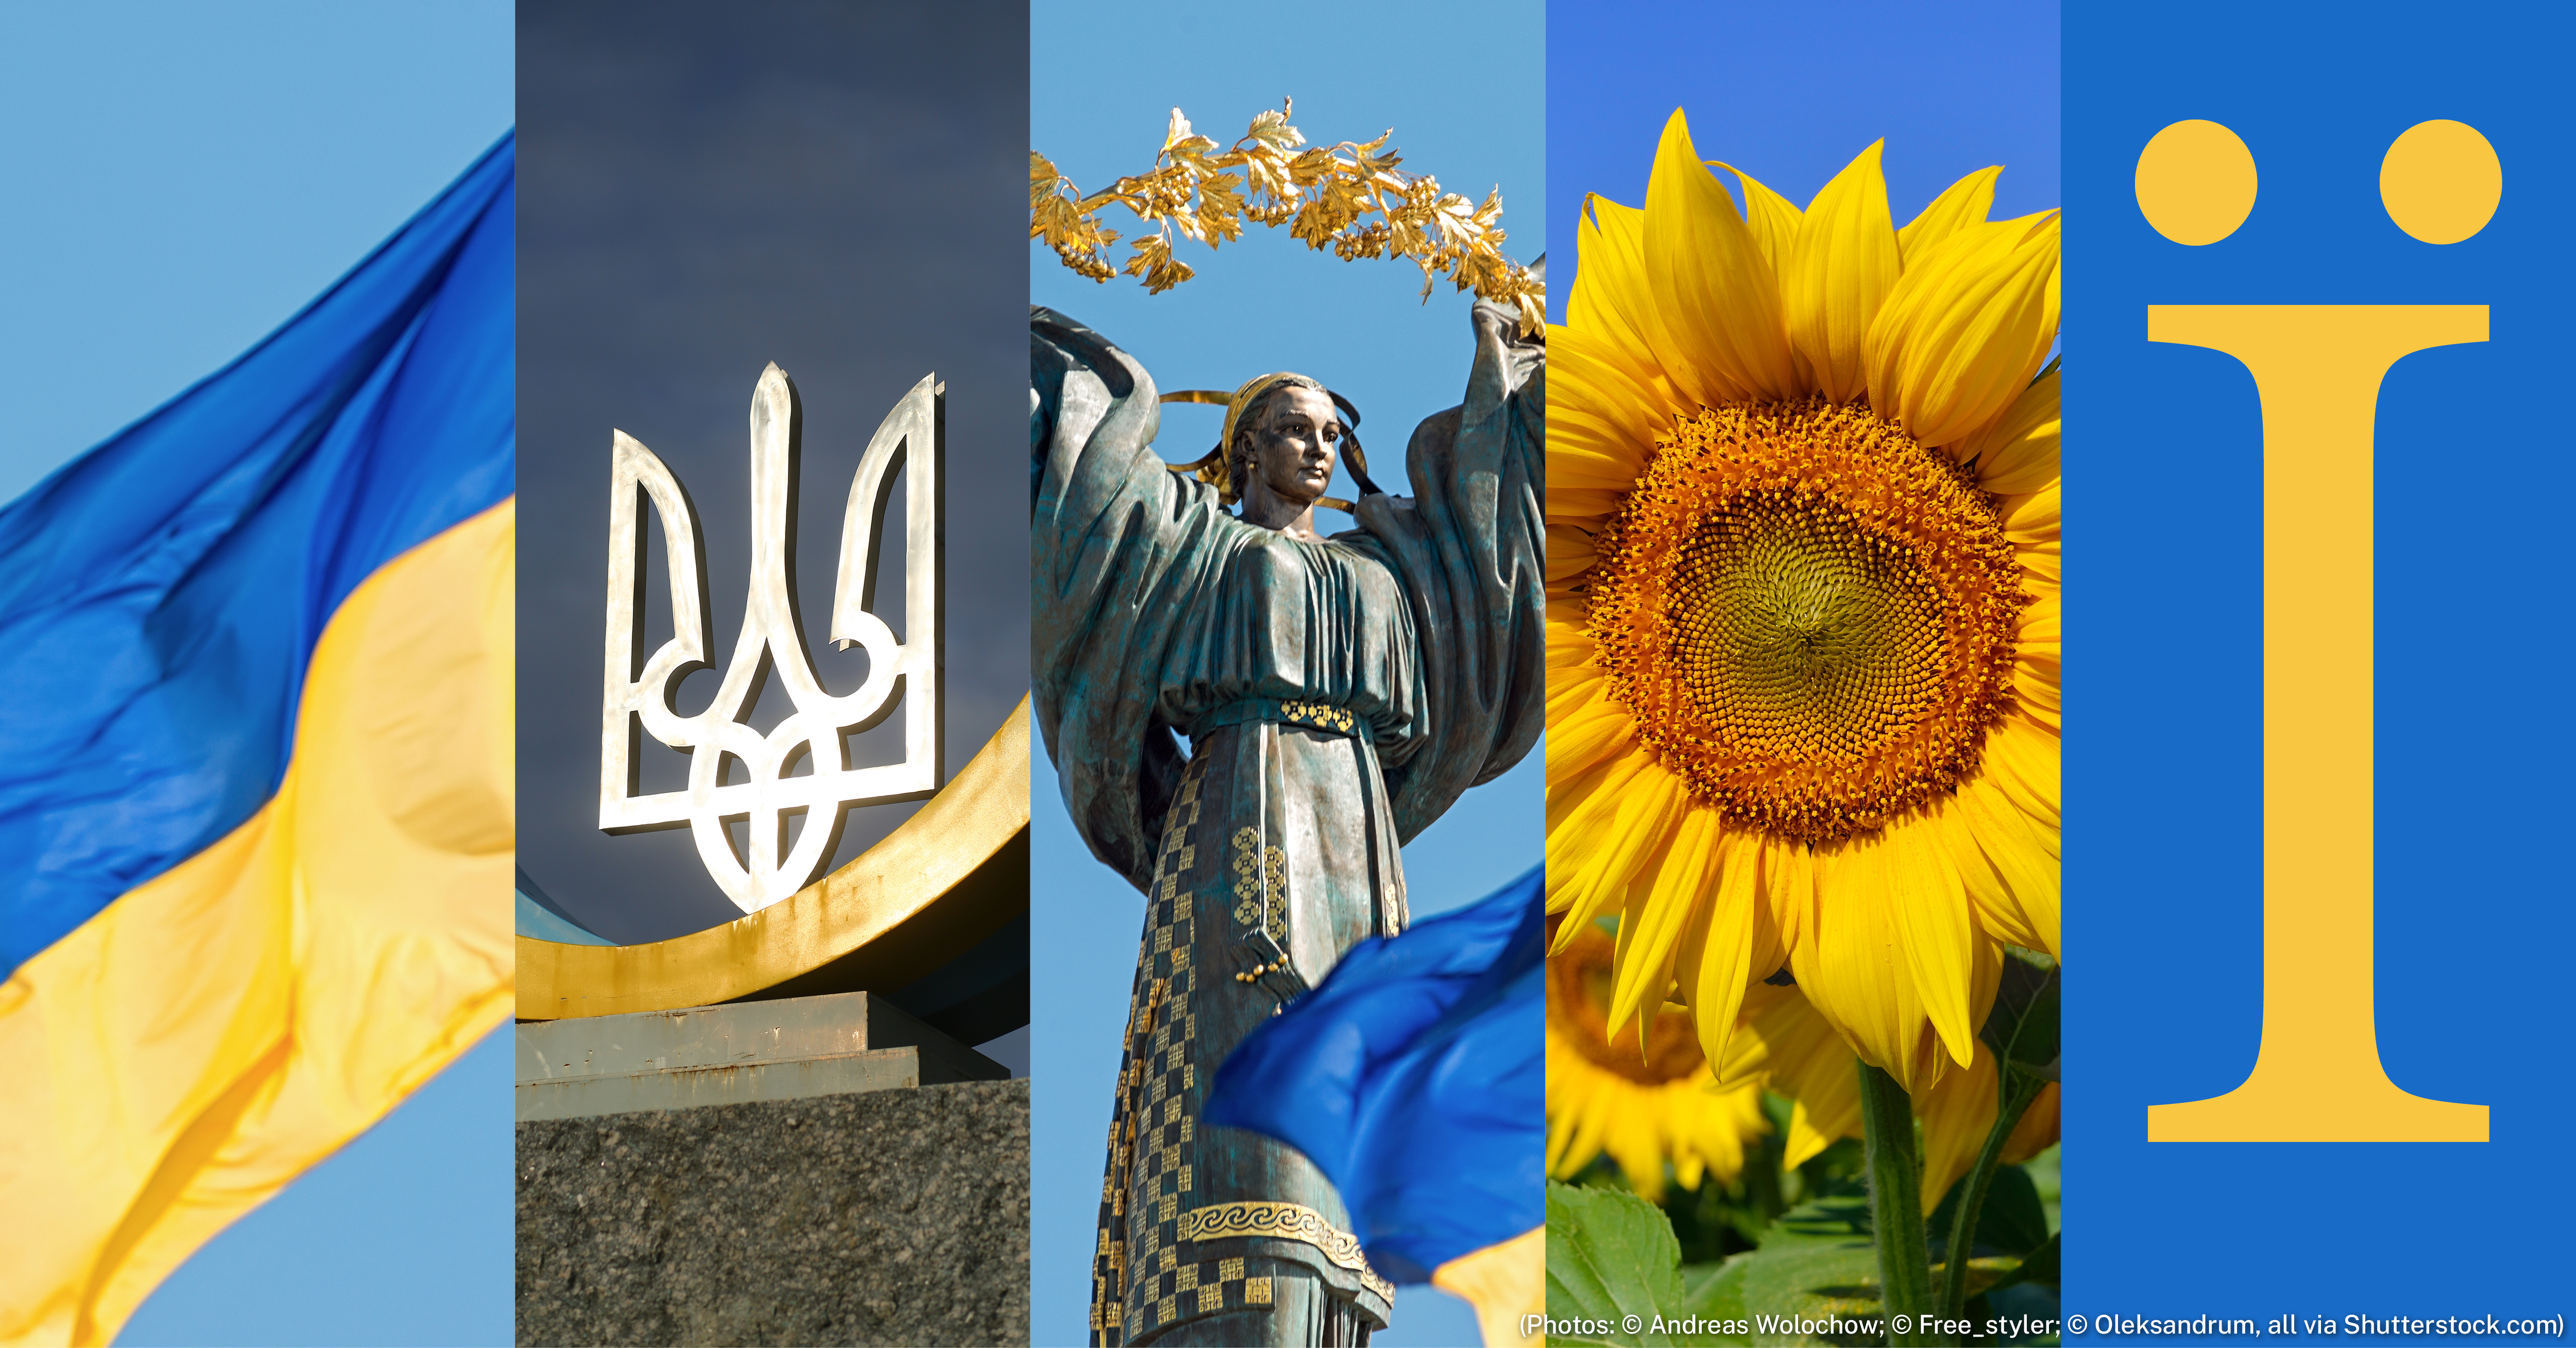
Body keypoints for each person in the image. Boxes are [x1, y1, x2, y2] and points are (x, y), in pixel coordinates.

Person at [1031, 283, 1544, 1347]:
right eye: (1295, 433)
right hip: (1241, 808)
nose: (1317, 451)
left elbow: (1482, 554)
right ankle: (1233, 1276)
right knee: (1247, 1025)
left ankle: (1327, 1291)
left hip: (1355, 825)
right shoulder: (1203, 554)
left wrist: (1497, 377)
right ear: (1248, 448)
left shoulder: (1383, 572)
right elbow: (1102, 502)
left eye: (1330, 436)